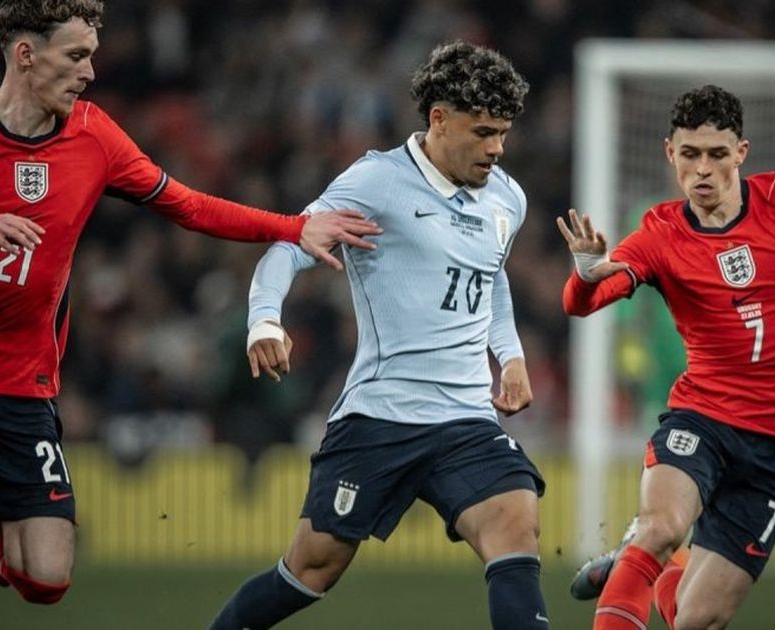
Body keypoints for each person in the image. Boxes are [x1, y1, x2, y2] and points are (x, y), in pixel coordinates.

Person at [0, 2, 381, 628]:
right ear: (25, 55)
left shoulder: (93, 136)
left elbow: (188, 204)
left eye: (92, 57)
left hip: (21, 388)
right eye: (76, 56)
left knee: (45, 578)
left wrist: (295, 228)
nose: (90, 73)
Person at [209, 41, 549, 630]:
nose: (497, 148)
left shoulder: (506, 198)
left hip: (466, 419)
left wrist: (511, 356)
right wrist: (264, 318)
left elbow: (489, 276)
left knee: (515, 525)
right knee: (312, 570)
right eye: (484, 131)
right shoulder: (377, 182)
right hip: (381, 417)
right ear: (439, 119)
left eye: (504, 133)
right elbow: (294, 242)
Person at [557, 85, 775, 630]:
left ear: (741, 153)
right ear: (669, 153)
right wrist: (584, 278)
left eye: (717, 154)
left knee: (695, 619)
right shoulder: (659, 234)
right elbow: (584, 303)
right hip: (703, 419)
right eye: (690, 154)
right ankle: (642, 555)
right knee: (660, 528)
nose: (703, 169)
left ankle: (636, 567)